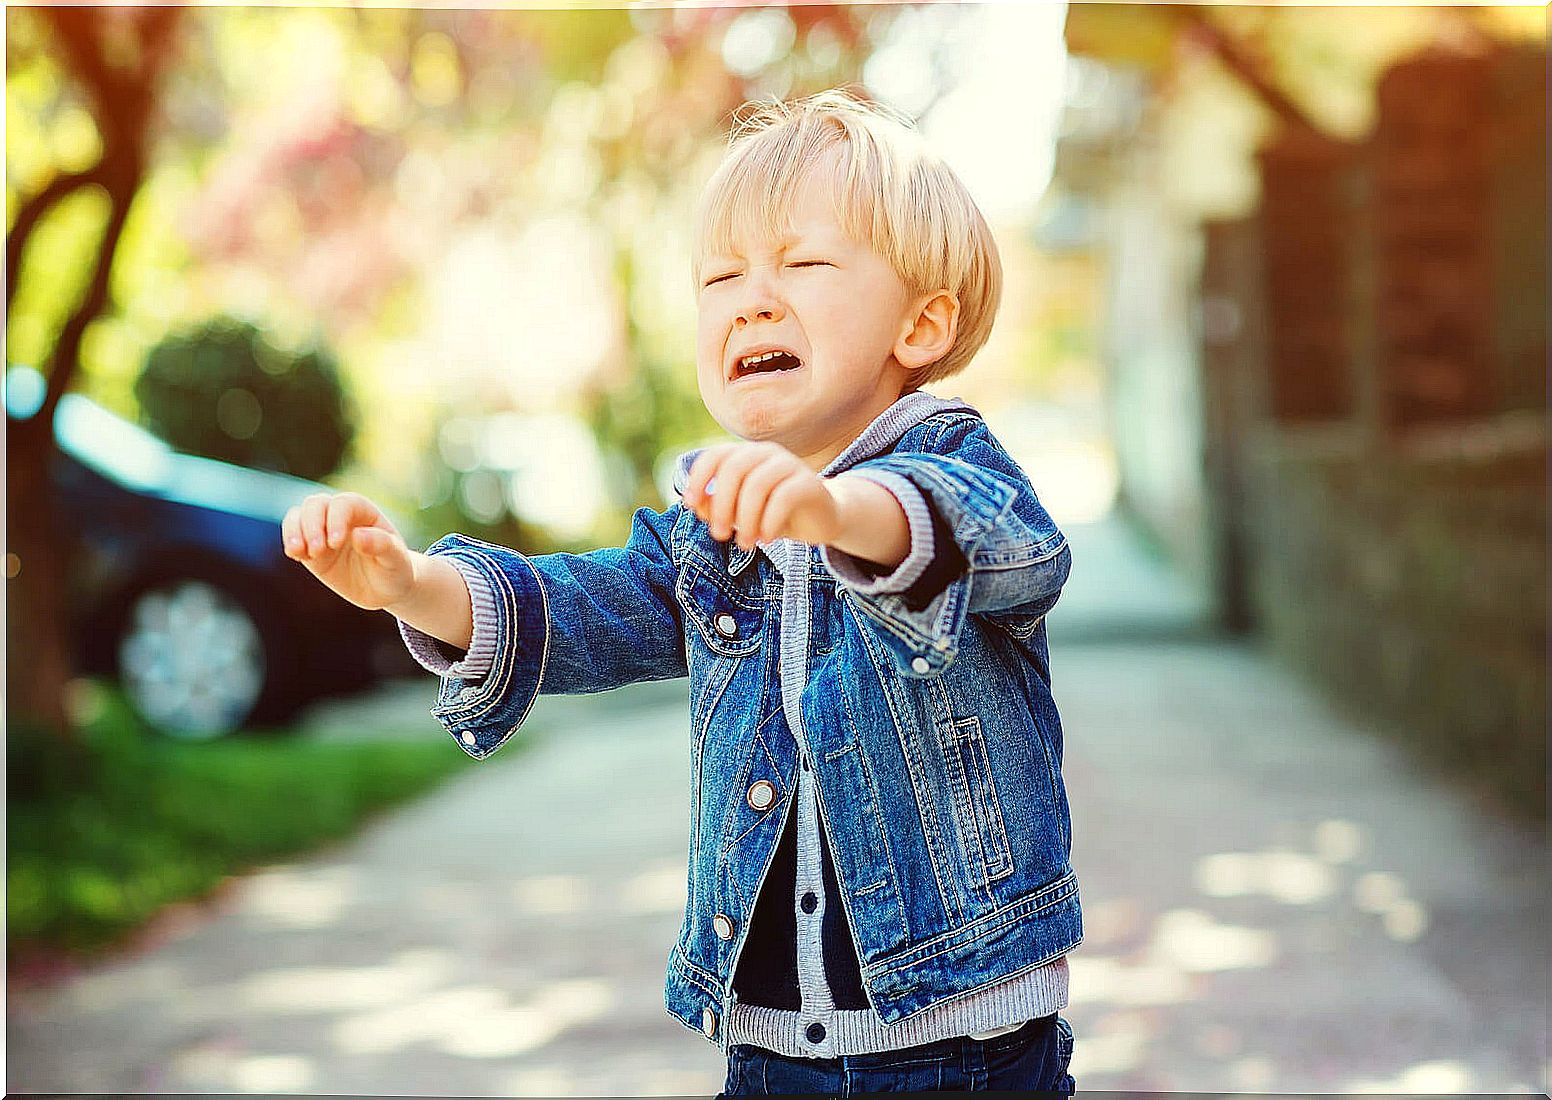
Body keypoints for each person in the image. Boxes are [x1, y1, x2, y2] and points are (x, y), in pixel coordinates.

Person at [283, 87, 1080, 1096]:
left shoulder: (957, 462)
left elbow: (1002, 546)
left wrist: (835, 512)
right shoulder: (715, 527)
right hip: (769, 1051)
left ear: (920, 323)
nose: (750, 296)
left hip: (963, 1045)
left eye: (802, 263)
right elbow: (579, 610)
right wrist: (413, 582)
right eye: (720, 276)